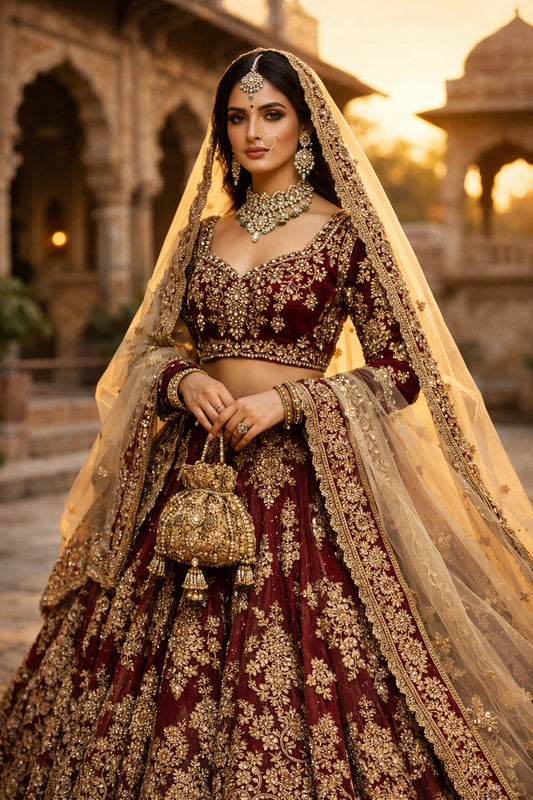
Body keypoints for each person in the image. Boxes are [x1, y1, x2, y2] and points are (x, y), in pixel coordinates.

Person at [1, 49, 532, 800]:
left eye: (272, 113)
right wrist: (182, 381)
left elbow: (400, 372)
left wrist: (292, 402)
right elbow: (150, 346)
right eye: (238, 116)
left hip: (307, 489)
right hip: (190, 475)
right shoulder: (197, 237)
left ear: (304, 125)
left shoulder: (346, 235)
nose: (254, 131)